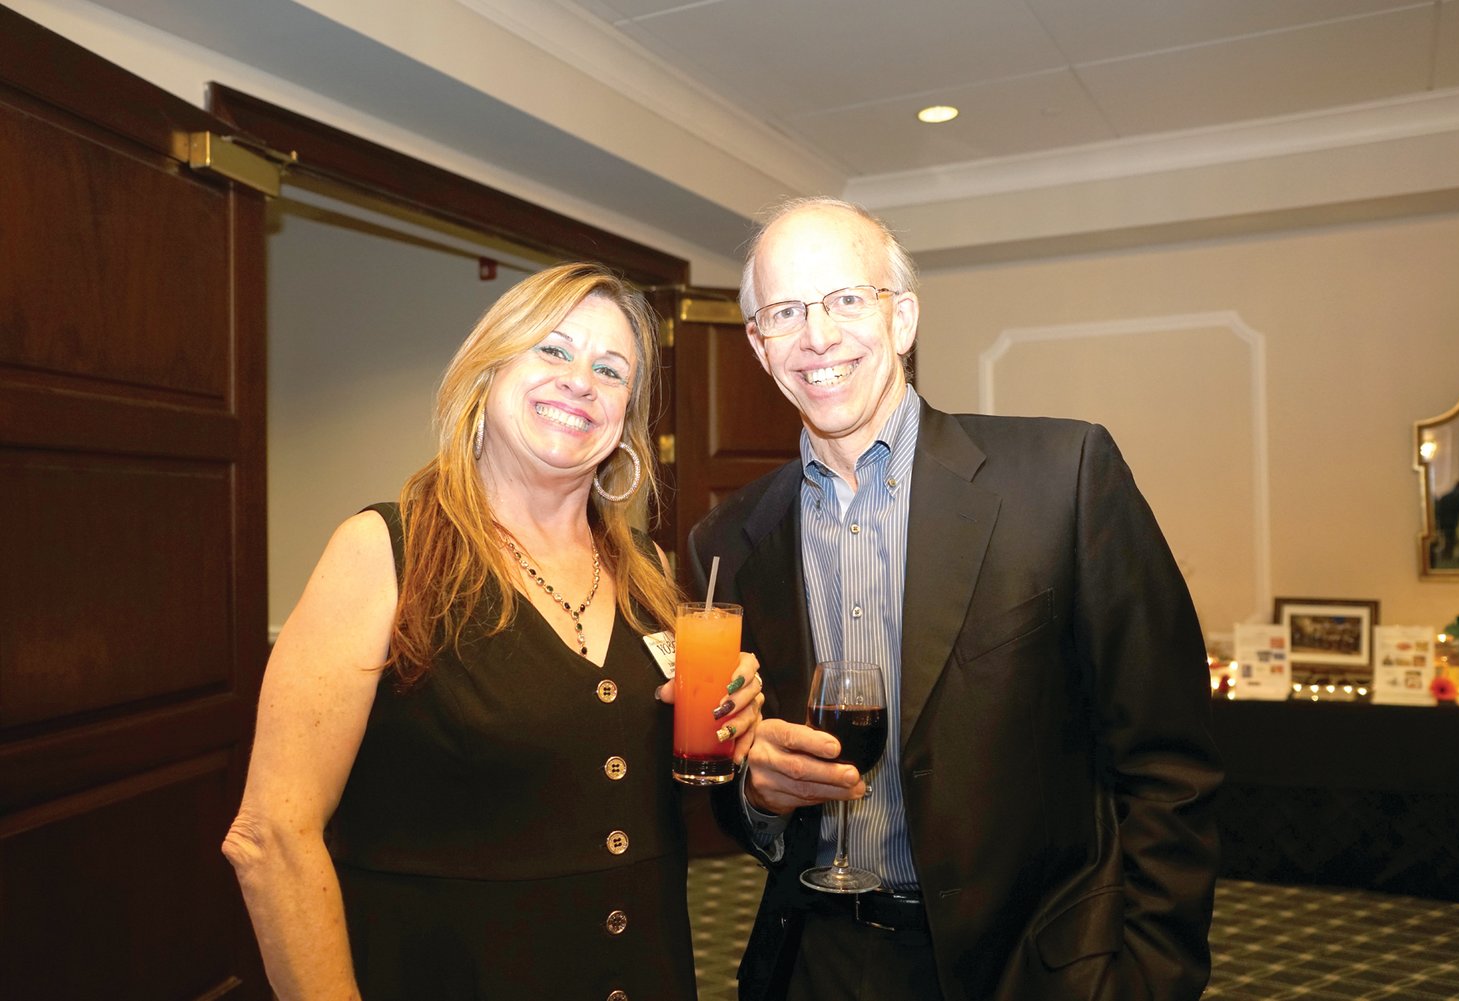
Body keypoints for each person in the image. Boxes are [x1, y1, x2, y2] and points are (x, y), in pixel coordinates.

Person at [688, 198, 1221, 1001]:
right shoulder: (726, 541)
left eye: (845, 300)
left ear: (901, 319)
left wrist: (1151, 974)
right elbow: (729, 770)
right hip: (816, 963)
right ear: (761, 347)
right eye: (786, 312)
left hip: (1034, 966)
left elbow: (1168, 759)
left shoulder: (1062, 476)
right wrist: (757, 792)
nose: (818, 337)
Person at [223, 263, 763, 1000]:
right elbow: (271, 838)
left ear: (626, 421)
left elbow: (628, 790)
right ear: (487, 369)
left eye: (611, 369)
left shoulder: (650, 571)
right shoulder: (386, 551)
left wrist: (738, 730)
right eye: (552, 349)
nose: (581, 380)